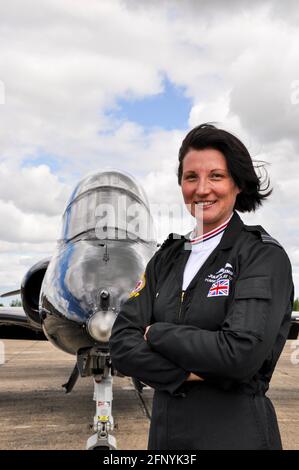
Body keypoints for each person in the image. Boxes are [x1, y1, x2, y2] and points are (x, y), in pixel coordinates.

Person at [109, 123, 294, 450]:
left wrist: (156, 333)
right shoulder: (165, 258)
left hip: (236, 436)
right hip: (166, 441)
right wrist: (183, 375)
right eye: (191, 177)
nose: (202, 188)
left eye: (216, 176)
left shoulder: (262, 255)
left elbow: (240, 355)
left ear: (238, 183)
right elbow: (122, 345)